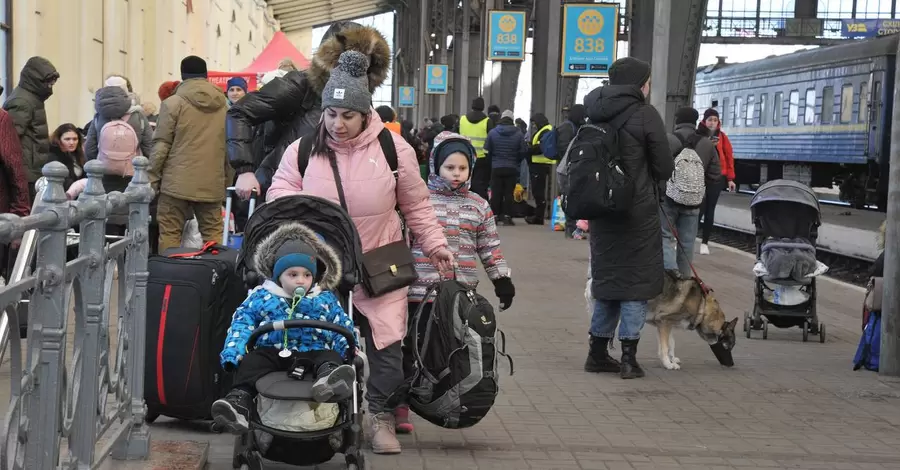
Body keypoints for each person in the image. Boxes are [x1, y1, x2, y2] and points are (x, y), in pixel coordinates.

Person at [267, 50, 453, 455]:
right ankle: (323, 415)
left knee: (387, 344)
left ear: (365, 112)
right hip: (321, 266)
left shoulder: (394, 149)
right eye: (331, 114)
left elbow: (418, 206)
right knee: (320, 339)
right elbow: (278, 194)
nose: (338, 124)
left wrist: (436, 245)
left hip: (381, 260)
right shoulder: (302, 149)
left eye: (347, 115)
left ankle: (380, 415)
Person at [399, 130, 515, 434]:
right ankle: (400, 404)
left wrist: (501, 278)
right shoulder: (419, 200)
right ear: (436, 165)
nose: (456, 174)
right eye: (449, 167)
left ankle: (446, 396)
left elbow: (489, 246)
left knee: (451, 349)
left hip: (461, 297)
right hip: (419, 293)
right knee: (414, 347)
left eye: (462, 168)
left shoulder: (478, 204)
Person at [211, 223, 357, 434]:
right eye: (293, 274)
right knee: (252, 361)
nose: (301, 280)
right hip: (274, 353)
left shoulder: (324, 299)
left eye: (307, 275)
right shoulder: (262, 297)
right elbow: (242, 323)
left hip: (313, 352)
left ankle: (329, 378)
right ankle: (239, 402)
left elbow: (341, 325)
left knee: (330, 354)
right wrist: (235, 352)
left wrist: (350, 352)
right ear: (278, 276)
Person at [581, 57, 674, 379]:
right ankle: (628, 359)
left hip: (603, 212)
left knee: (608, 284)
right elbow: (664, 168)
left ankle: (596, 354)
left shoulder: (593, 111)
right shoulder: (646, 114)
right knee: (635, 286)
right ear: (641, 84)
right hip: (638, 213)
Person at [227, 22, 391, 201]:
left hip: (335, 200)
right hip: (281, 194)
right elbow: (240, 113)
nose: (355, 70)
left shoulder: (362, 100)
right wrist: (245, 170)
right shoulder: (299, 86)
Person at [149, 55, 231, 252]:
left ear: (182, 75)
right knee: (213, 234)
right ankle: (215, 277)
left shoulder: (172, 103)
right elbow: (230, 148)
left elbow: (161, 145)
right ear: (206, 75)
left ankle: (170, 279)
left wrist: (151, 178)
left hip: (175, 183)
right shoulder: (225, 106)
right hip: (211, 183)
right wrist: (226, 182)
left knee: (170, 233)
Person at [662, 107, 720, 277]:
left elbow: (657, 167)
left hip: (668, 198)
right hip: (693, 200)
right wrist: (697, 185)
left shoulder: (669, 140)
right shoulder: (707, 143)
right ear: (695, 122)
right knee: (687, 242)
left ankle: (670, 274)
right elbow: (715, 175)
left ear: (677, 120)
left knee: (664, 236)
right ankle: (684, 282)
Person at [3, 56, 59, 200]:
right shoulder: (22, 101)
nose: (50, 85)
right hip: (25, 172)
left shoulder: (31, 98)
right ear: (36, 79)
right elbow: (8, 138)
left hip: (31, 170)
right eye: (47, 81)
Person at [85, 83, 153, 168]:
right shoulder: (138, 116)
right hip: (133, 171)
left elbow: (90, 148)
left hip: (104, 171)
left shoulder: (99, 118)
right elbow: (149, 145)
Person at [697, 108, 736, 255]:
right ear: (704, 121)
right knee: (698, 209)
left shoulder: (723, 138)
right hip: (700, 176)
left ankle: (705, 242)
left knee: (710, 209)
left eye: (715, 120)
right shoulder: (698, 135)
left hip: (717, 178)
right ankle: (689, 238)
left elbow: (729, 157)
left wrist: (731, 179)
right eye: (710, 120)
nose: (713, 123)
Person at [484, 109, 527, 225]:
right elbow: (523, 151)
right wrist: (516, 161)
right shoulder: (518, 133)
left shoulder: (492, 132)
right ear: (512, 120)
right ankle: (507, 217)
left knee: (496, 192)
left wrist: (492, 162)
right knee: (509, 193)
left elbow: (487, 150)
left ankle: (495, 216)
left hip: (496, 167)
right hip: (511, 167)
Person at [555, 104, 587, 237]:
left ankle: (574, 227)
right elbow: (564, 148)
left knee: (575, 197)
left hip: (571, 167)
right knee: (570, 196)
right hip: (567, 168)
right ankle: (571, 228)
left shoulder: (576, 127)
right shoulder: (567, 127)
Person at [458, 97, 495, 199]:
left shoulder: (462, 120)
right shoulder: (488, 121)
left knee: (465, 182)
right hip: (482, 158)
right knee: (480, 184)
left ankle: (465, 203)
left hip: (465, 156)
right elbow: (491, 139)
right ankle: (482, 204)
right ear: (483, 107)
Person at [525, 112, 554, 225]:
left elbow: (541, 147)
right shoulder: (545, 129)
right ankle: (538, 215)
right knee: (539, 191)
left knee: (539, 191)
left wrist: (529, 149)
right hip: (540, 164)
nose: (533, 126)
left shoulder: (546, 131)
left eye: (534, 123)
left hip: (540, 164)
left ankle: (539, 217)